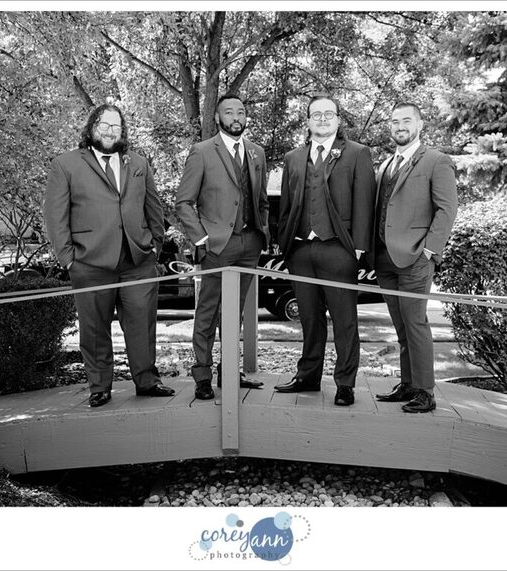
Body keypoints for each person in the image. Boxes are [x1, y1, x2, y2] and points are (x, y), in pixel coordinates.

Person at [44, 103, 174, 408]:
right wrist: (69, 259)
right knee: (94, 329)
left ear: (123, 131)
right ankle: (100, 386)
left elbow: (153, 208)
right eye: (104, 124)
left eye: (116, 126)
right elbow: (55, 216)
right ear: (91, 128)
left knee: (142, 325)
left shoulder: (138, 163)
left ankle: (147, 380)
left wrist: (154, 247)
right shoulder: (66, 165)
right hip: (89, 263)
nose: (109, 131)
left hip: (137, 262)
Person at [274, 94, 377, 406]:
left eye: (328, 114)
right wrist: (286, 244)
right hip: (301, 251)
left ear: (337, 119)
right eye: (315, 114)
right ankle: (308, 376)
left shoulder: (357, 153)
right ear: (307, 121)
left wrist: (359, 248)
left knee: (345, 320)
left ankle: (345, 383)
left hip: (339, 249)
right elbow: (286, 206)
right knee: (309, 318)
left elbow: (364, 202)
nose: (321, 119)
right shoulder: (293, 157)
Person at [175, 93, 270, 400]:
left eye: (241, 111)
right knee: (208, 313)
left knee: (235, 314)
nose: (236, 117)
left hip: (249, 245)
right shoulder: (202, 152)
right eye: (229, 112)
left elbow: (262, 201)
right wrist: (202, 240)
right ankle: (202, 376)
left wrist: (262, 232)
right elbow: (184, 203)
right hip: (216, 247)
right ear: (218, 118)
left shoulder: (257, 153)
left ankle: (229, 372)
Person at [368, 102, 458, 413]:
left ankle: (425, 391)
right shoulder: (385, 166)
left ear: (419, 125)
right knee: (401, 326)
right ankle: (407, 383)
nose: (399, 126)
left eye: (406, 120)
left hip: (416, 258)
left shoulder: (436, 161)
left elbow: (447, 210)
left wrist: (430, 251)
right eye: (394, 121)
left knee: (416, 323)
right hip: (385, 259)